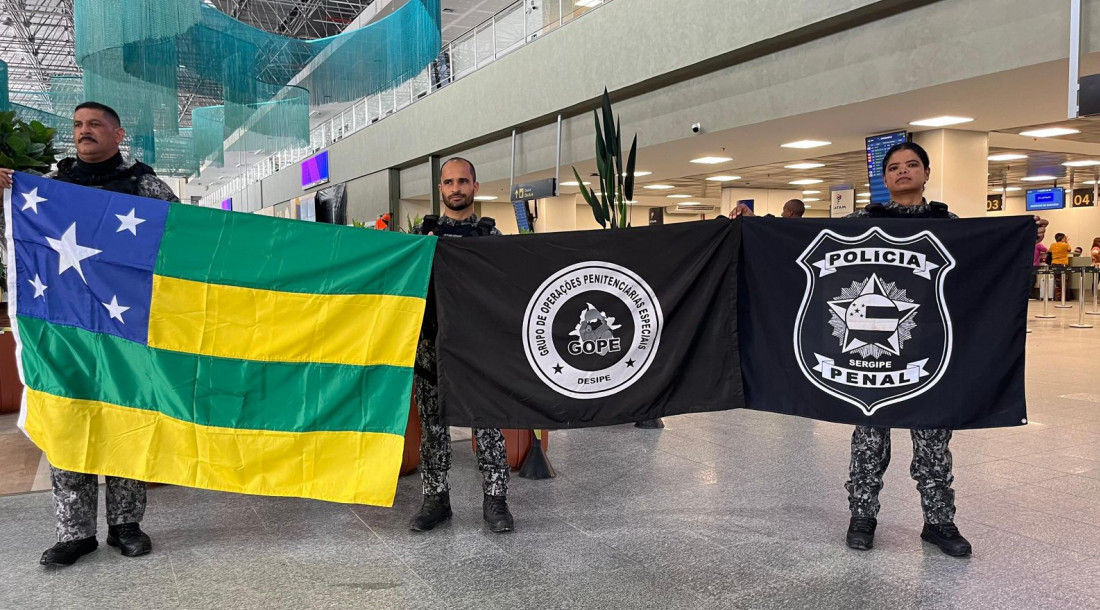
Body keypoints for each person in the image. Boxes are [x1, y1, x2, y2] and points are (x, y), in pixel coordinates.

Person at [0, 102, 178, 567]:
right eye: (78, 125)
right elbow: (16, 240)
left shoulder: (146, 186)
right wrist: (4, 193)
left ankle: (126, 525)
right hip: (65, 327)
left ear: (118, 135)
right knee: (68, 419)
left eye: (95, 124)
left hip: (127, 328)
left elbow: (185, 239)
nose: (84, 131)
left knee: (126, 419)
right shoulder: (47, 189)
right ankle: (74, 533)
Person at [409, 157, 514, 534]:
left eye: (463, 181)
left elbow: (508, 289)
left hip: (478, 349)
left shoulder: (491, 237)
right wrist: (422, 253)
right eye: (449, 182)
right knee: (433, 428)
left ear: (475, 187)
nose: (456, 188)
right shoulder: (421, 237)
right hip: (431, 347)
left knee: (487, 424)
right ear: (440, 188)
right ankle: (435, 499)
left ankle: (496, 499)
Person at [1050, 233, 1071, 300]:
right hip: (1063, 264)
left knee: (1057, 281)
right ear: (1062, 238)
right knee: (1064, 280)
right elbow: (1069, 249)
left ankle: (1058, 297)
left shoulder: (1052, 245)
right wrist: (1066, 242)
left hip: (1054, 263)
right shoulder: (1065, 245)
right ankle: (1065, 297)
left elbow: (1049, 251)